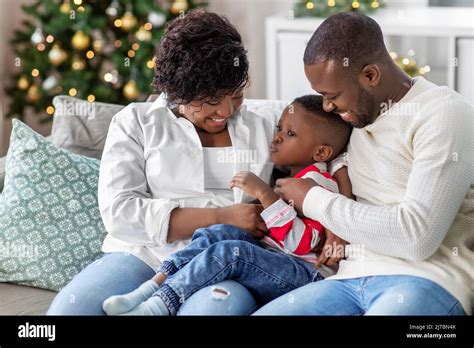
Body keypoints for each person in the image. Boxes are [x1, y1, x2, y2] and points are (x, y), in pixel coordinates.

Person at [47, 9, 349, 315]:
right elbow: (121, 213)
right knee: (68, 312)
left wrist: (339, 223)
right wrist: (220, 215)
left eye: (236, 95)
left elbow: (333, 142)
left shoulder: (264, 121)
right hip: (144, 256)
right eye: (210, 100)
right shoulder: (135, 122)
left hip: (224, 263)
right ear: (179, 92)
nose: (226, 111)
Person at [254, 12, 473, 316]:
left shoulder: (443, 113)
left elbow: (416, 238)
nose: (328, 107)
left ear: (370, 76)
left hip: (427, 278)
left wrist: (314, 200)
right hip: (347, 279)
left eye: (332, 96)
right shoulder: (354, 120)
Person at [101, 95, 353, 315]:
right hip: (274, 258)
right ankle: (153, 287)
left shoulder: (317, 182)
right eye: (279, 129)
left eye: (288, 134)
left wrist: (265, 195)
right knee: (218, 233)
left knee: (232, 251)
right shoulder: (296, 170)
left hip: (304, 272)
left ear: (320, 154)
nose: (275, 138)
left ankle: (157, 307)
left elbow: (300, 243)